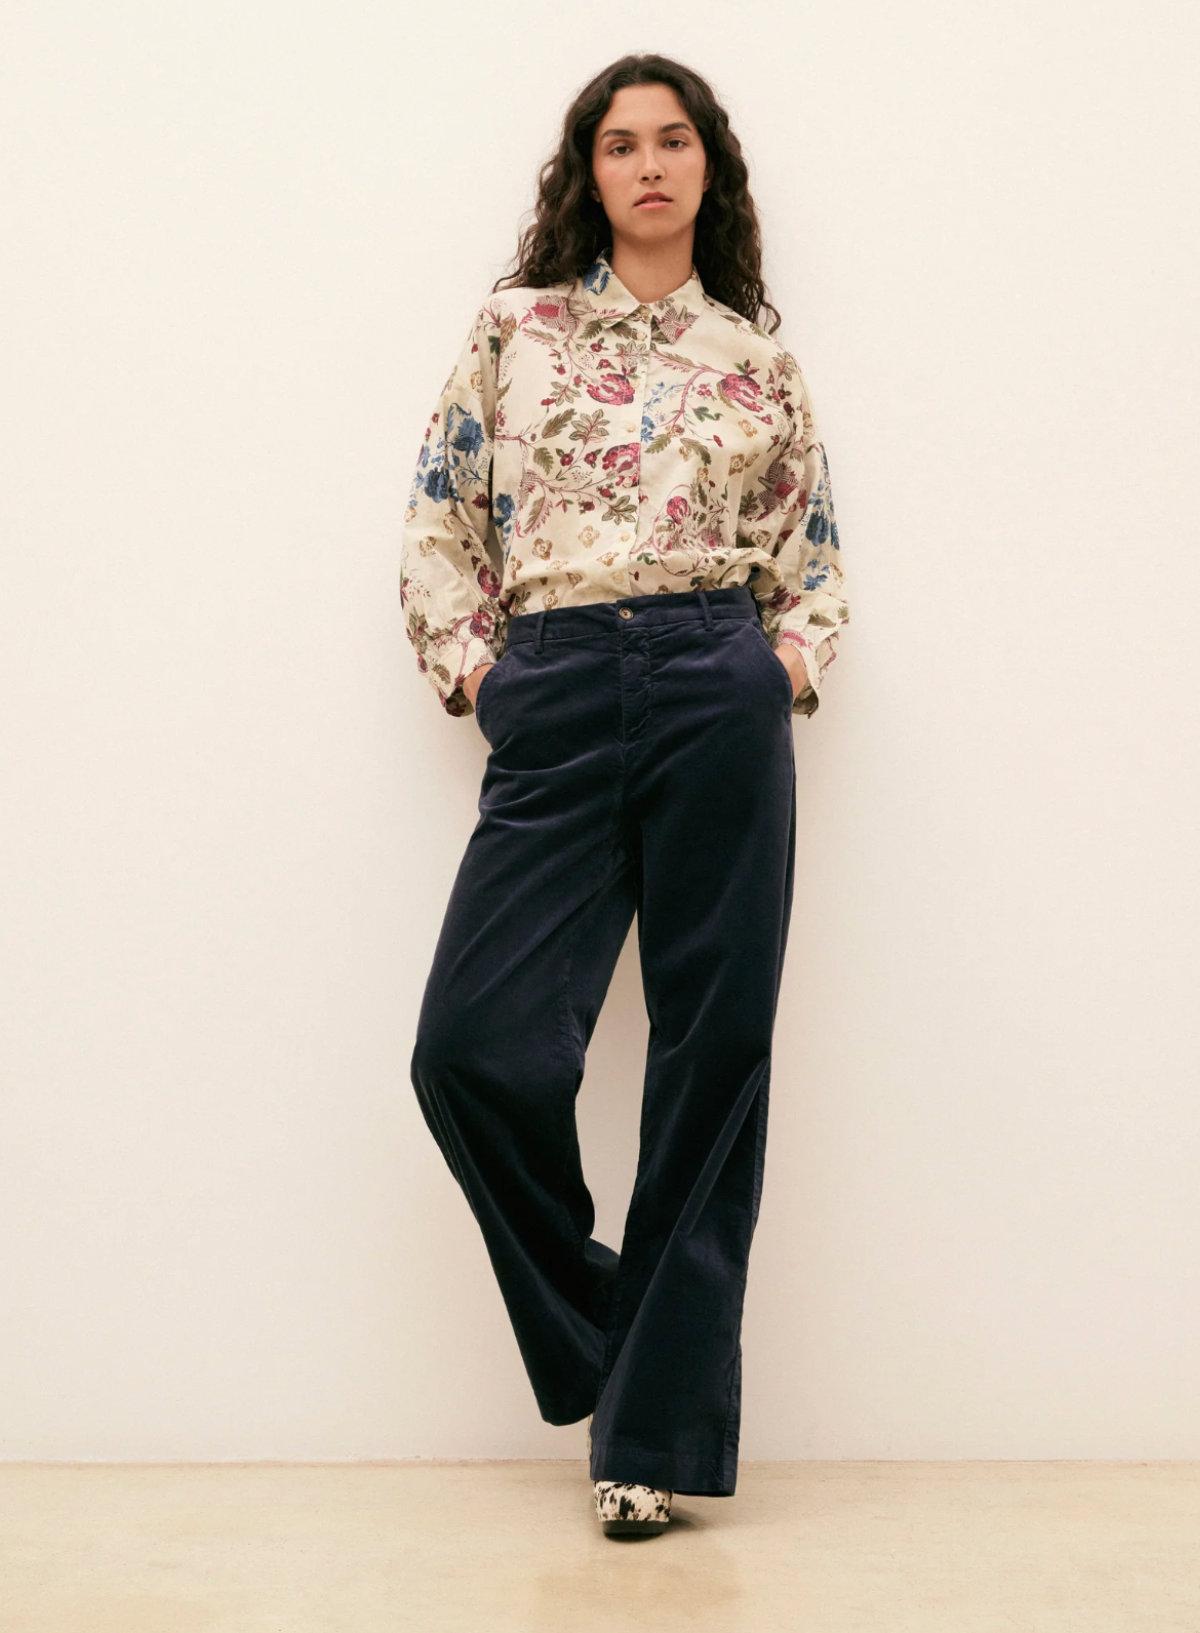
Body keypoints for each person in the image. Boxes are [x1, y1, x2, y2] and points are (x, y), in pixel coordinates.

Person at [400, 53, 848, 1538]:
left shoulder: (755, 358)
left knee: (713, 1059)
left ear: (709, 166)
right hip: (559, 682)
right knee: (471, 1052)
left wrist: (776, 669)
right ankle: (626, 1348)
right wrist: (487, 679)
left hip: (718, 680)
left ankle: (643, 1448)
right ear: (586, 174)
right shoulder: (515, 331)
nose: (648, 164)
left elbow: (814, 562)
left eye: (673, 141)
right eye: (618, 144)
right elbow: (440, 525)